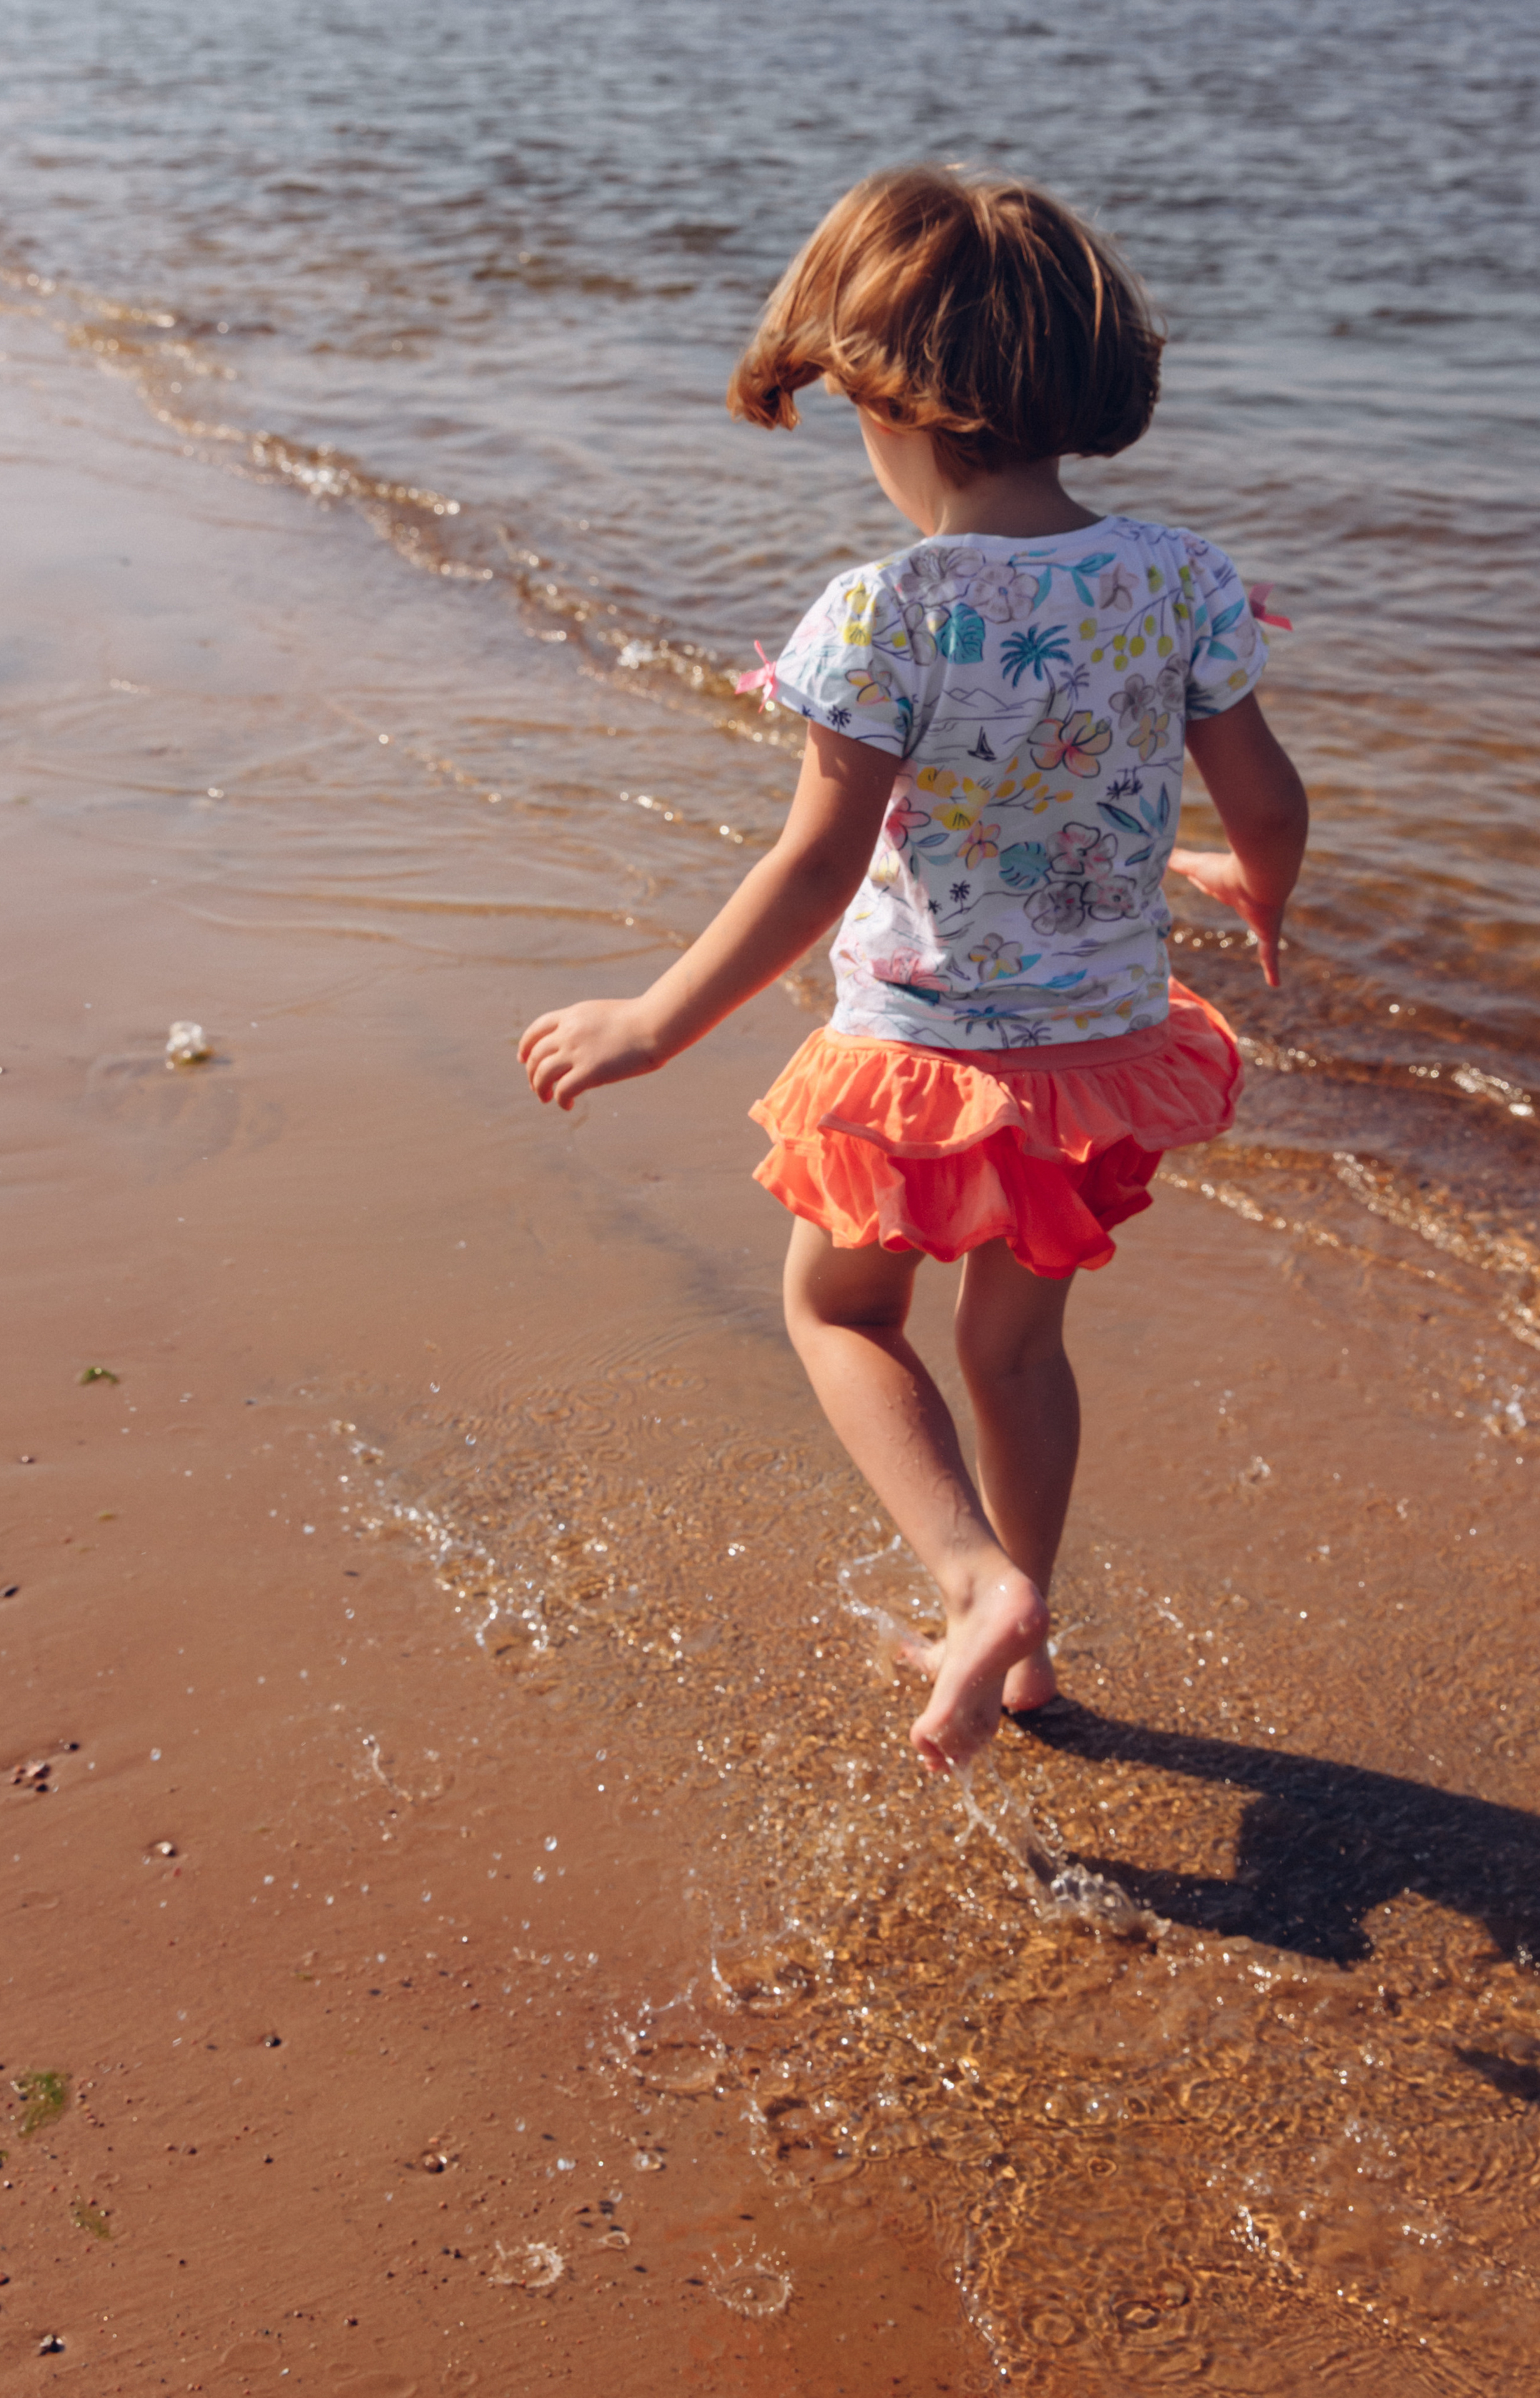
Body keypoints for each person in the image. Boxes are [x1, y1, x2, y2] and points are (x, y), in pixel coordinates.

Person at [520, 166, 1308, 1775]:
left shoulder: (888, 609)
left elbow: (817, 861)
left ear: (894, 401)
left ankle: (976, 1587)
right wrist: (1255, 889)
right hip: (1106, 1048)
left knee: (839, 1309)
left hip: (928, 1054)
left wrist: (655, 1023)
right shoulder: (1179, 577)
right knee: (1017, 1348)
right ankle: (1029, 1647)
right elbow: (1271, 799)